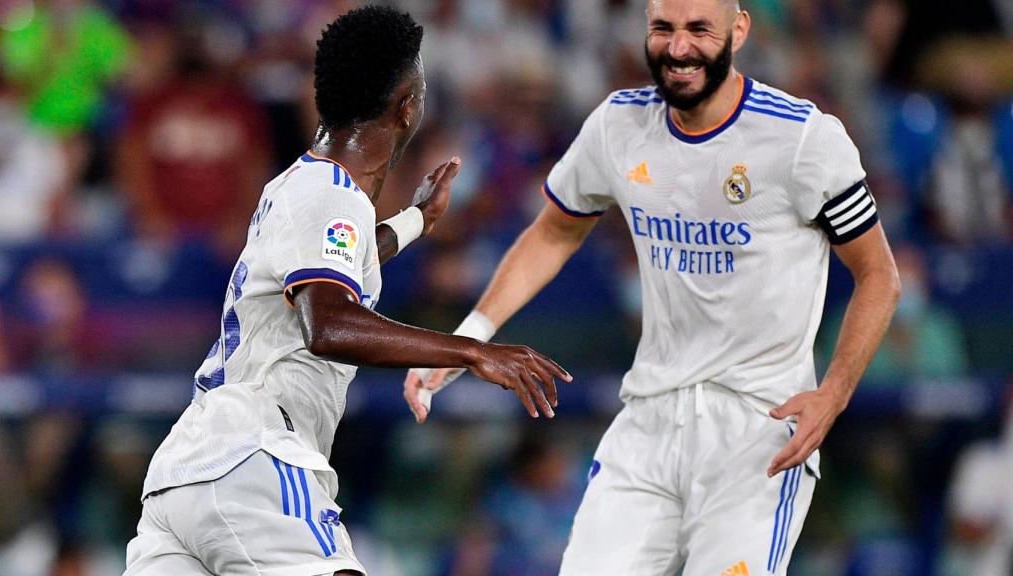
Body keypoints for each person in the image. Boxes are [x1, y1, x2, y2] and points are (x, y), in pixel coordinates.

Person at [405, 0, 901, 573]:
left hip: (757, 434)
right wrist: (472, 336)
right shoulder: (618, 125)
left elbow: (879, 274)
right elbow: (554, 233)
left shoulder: (803, 139)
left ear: (739, 31)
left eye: (699, 29)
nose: (679, 47)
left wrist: (835, 392)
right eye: (663, 28)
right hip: (647, 423)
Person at [124, 6, 570, 576]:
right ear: (407, 106)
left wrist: (413, 222)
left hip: (185, 473)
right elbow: (328, 323)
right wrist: (473, 350)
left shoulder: (303, 183)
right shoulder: (329, 194)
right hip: (252, 455)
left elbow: (339, 265)